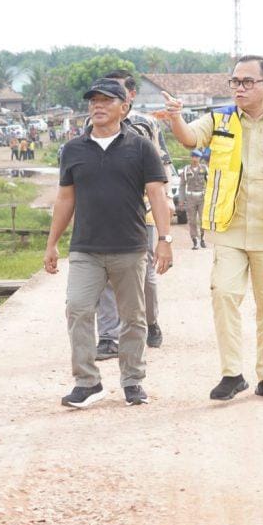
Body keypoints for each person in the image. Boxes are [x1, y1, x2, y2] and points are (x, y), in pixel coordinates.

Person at [162, 55, 263, 402]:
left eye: (247, 81)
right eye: (235, 81)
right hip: (230, 230)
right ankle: (232, 373)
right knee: (224, 295)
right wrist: (176, 118)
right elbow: (191, 139)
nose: (239, 87)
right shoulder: (219, 119)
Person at [44, 78, 172, 408]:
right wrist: (52, 243)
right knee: (77, 309)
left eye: (106, 100)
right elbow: (65, 199)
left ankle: (132, 381)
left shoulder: (140, 146)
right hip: (86, 247)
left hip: (129, 247)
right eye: (93, 101)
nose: (98, 106)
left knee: (133, 317)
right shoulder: (74, 149)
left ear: (124, 107)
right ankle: (87, 382)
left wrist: (165, 240)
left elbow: (157, 193)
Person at [94, 70, 175, 358]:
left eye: (114, 92)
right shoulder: (92, 123)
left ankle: (150, 322)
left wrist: (167, 198)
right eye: (101, 94)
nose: (105, 100)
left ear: (130, 96)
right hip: (105, 211)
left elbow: (162, 161)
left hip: (144, 209)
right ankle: (107, 337)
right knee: (104, 275)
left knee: (146, 277)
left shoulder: (146, 124)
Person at [179, 149, 208, 249]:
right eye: (194, 156)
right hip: (190, 198)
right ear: (191, 157)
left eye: (197, 157)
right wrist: (181, 200)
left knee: (203, 220)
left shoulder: (204, 168)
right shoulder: (186, 169)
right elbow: (182, 185)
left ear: (200, 158)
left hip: (202, 197)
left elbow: (210, 183)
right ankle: (195, 240)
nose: (195, 159)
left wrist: (210, 197)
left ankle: (203, 238)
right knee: (192, 221)